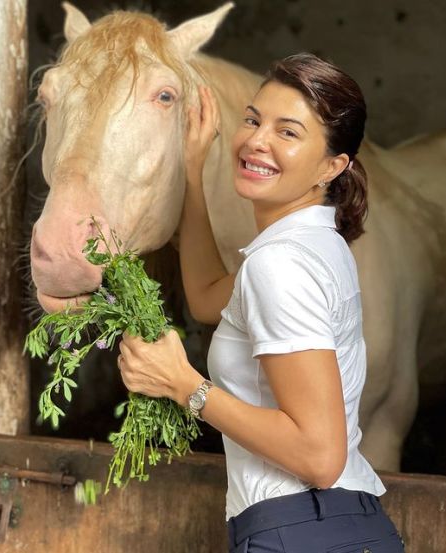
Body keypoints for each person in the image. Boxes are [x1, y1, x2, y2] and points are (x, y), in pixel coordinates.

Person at [117, 53, 405, 552]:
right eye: (253, 119)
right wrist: (191, 172)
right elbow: (209, 299)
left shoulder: (281, 266)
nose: (256, 140)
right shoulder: (313, 246)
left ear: (332, 166)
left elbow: (320, 457)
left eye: (287, 132)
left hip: (300, 531)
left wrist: (184, 385)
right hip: (334, 525)